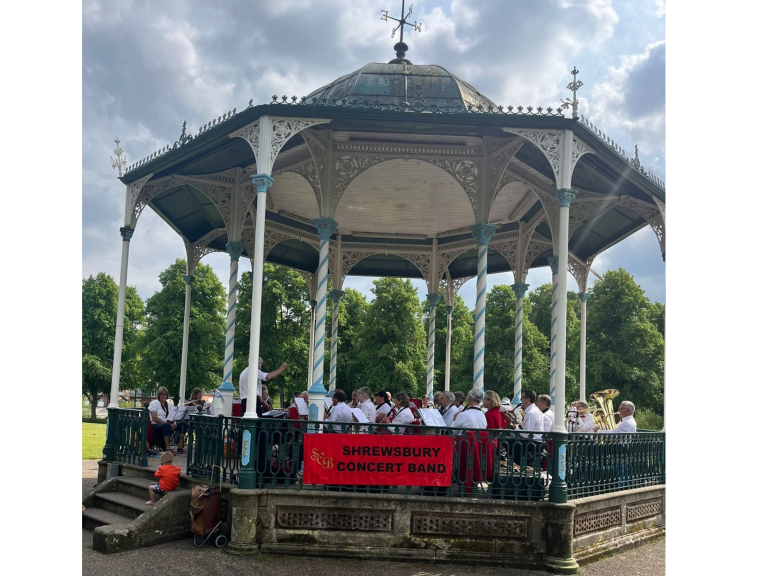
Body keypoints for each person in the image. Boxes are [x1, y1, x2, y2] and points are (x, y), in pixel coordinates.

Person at [149, 387, 177, 452]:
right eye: (161, 394)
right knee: (166, 426)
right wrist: (166, 424)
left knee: (183, 424)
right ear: (159, 395)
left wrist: (174, 423)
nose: (163, 396)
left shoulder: (169, 404)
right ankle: (167, 447)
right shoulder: (154, 403)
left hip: (166, 423)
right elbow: (154, 417)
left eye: (165, 394)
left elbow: (173, 416)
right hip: (155, 424)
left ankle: (180, 446)